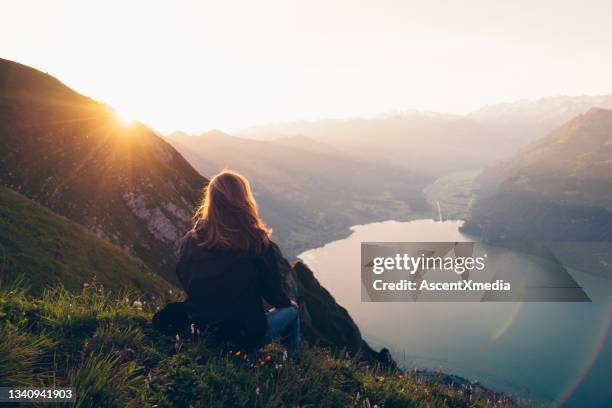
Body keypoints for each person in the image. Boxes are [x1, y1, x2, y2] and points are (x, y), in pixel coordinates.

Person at [175, 170, 300, 353]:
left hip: (205, 332)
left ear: (211, 201)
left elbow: (183, 277)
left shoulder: (191, 240)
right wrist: (289, 303)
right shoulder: (254, 242)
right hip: (244, 337)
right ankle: (294, 366)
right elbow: (273, 294)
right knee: (292, 312)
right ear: (243, 200)